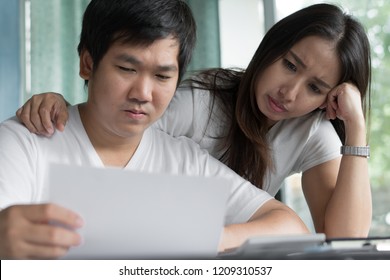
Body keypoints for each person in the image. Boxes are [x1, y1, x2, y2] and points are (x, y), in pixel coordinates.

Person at [16, 3, 372, 238]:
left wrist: (355, 128)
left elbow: (346, 241)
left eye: (314, 87)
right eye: (290, 65)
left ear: (329, 98)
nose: (289, 93)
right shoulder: (197, 104)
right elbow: (111, 137)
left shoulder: (311, 131)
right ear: (270, 49)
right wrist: (63, 104)